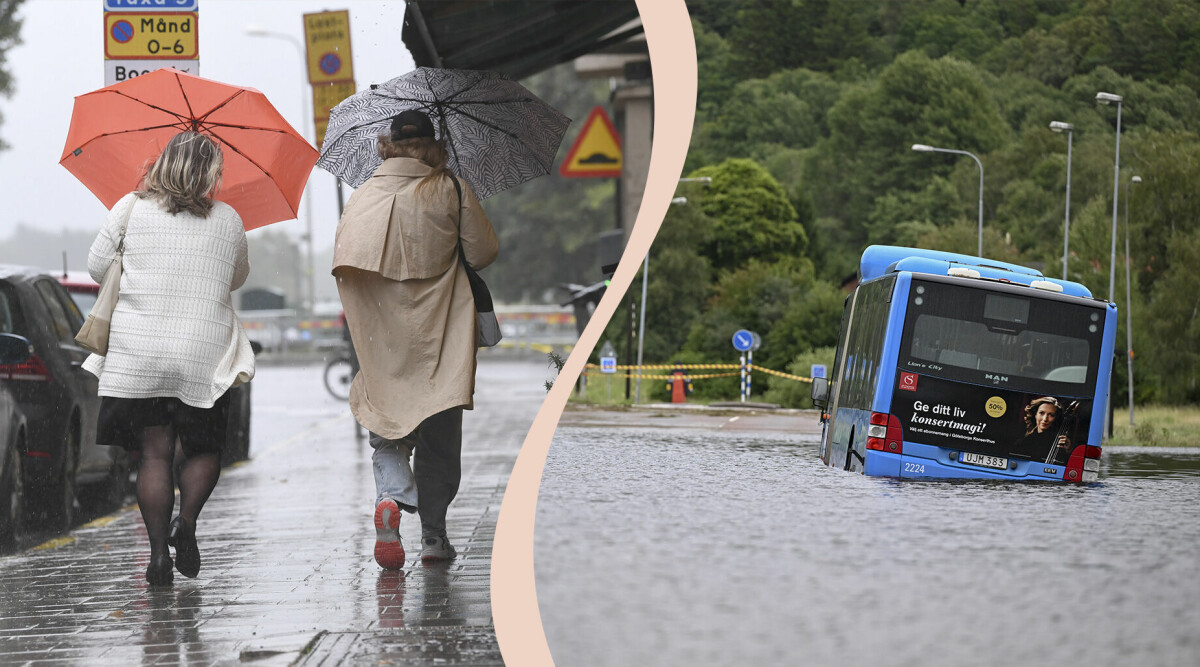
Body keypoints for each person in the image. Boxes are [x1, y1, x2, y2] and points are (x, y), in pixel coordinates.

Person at [85, 131, 254, 586]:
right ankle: (188, 522)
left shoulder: (131, 207)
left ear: (163, 164)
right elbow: (236, 277)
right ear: (211, 174)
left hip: (141, 351)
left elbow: (97, 267)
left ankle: (158, 555)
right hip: (202, 353)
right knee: (204, 448)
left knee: (154, 455)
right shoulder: (229, 218)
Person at [333, 109, 497, 568]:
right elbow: (483, 252)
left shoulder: (363, 195)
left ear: (388, 145)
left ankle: (390, 496)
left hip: (383, 336)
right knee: (439, 439)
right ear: (432, 144)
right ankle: (433, 538)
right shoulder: (450, 188)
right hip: (441, 330)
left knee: (386, 434)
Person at [1014, 396, 1071, 461]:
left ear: (1056, 418)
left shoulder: (1060, 443)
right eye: (1041, 413)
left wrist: (1068, 451)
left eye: (1051, 415)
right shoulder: (1023, 442)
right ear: (1035, 414)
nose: (1045, 419)